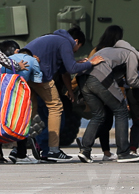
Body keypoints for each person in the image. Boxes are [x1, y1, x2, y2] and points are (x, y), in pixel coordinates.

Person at [22, 27, 97, 162]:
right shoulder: (65, 43)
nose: (76, 51)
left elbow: (65, 71)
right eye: (78, 48)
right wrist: (90, 63)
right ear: (76, 41)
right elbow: (72, 68)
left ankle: (18, 149)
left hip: (26, 74)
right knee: (55, 107)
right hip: (40, 75)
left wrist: (69, 90)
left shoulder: (54, 40)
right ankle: (53, 150)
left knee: (30, 111)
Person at [77, 26, 139, 163]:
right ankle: (124, 152)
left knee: (98, 115)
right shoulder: (133, 54)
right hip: (99, 78)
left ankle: (85, 151)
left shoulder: (107, 50)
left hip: (83, 78)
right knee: (121, 111)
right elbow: (132, 80)